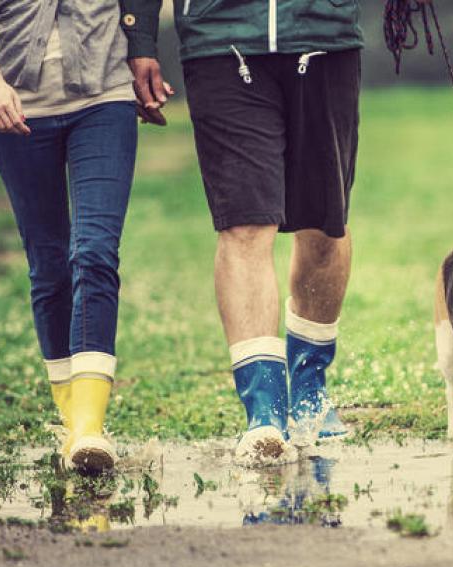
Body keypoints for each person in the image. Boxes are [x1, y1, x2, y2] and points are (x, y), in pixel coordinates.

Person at [116, 0, 363, 465]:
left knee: (324, 225)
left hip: (322, 34)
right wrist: (141, 38)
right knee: (244, 224)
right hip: (220, 41)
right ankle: (265, 410)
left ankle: (309, 386)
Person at [0, 0, 148, 472]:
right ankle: (71, 418)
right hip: (17, 109)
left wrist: (144, 51)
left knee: (96, 251)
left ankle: (89, 428)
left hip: (104, 100)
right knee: (49, 265)